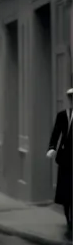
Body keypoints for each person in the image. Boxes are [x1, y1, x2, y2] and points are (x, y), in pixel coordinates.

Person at [47, 88, 72, 233]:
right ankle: (67, 215)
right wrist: (52, 147)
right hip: (65, 157)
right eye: (71, 97)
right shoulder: (63, 115)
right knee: (65, 188)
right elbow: (56, 132)